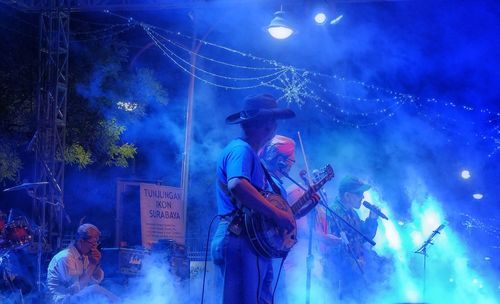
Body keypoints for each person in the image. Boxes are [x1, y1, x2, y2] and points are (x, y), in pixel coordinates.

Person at [211, 94, 296, 304]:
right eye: (273, 121)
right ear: (268, 125)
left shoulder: (249, 154)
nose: (275, 126)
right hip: (239, 237)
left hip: (249, 240)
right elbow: (237, 184)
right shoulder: (242, 150)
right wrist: (277, 213)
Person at [325, 175, 382, 302]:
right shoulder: (334, 213)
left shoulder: (352, 213)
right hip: (341, 275)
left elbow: (363, 237)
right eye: (359, 194)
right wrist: (352, 263)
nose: (362, 197)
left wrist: (372, 219)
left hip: (354, 272)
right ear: (347, 196)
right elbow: (332, 246)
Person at [46, 223, 119, 303]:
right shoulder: (66, 258)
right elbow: (74, 289)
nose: (95, 247)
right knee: (95, 289)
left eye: (97, 243)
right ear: (81, 241)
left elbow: (95, 280)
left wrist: (96, 263)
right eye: (93, 243)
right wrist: (92, 265)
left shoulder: (85, 255)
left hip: (76, 297)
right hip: (62, 300)